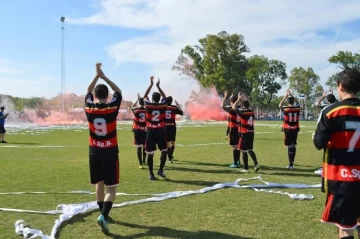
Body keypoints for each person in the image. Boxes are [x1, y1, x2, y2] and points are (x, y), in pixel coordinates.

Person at [312, 69, 360, 239]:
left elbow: (318, 143)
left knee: (345, 226)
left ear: (340, 86)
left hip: (342, 179)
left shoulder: (331, 112)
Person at [84, 63, 122, 234]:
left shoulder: (88, 108)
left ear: (95, 95)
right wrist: (104, 77)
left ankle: (102, 212)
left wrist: (96, 76)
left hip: (94, 151)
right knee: (111, 187)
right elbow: (119, 91)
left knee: (99, 183)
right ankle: (103, 216)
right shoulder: (112, 108)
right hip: (110, 150)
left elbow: (87, 90)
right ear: (107, 96)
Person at [143, 77, 168, 180]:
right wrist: (158, 86)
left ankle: (151, 174)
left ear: (152, 98)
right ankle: (161, 170)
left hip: (150, 131)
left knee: (150, 153)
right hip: (160, 131)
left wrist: (151, 84)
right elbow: (165, 96)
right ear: (159, 98)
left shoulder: (148, 105)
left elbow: (145, 95)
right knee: (164, 150)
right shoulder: (163, 105)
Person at [232, 93, 260, 173]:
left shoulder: (242, 113)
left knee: (243, 151)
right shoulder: (252, 112)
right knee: (250, 150)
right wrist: (244, 100)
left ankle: (246, 168)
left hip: (244, 133)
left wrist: (238, 99)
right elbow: (249, 106)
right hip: (251, 133)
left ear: (243, 107)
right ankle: (256, 164)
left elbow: (233, 106)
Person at [279, 89, 301, 169]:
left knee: (289, 146)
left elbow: (280, 105)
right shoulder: (297, 108)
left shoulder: (286, 109)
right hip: (295, 128)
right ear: (293, 102)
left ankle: (290, 164)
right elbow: (298, 103)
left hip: (287, 129)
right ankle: (292, 163)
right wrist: (292, 95)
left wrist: (285, 96)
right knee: (293, 145)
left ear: (288, 102)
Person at [221, 91, 241, 168]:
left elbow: (222, 105)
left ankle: (236, 162)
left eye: (230, 101)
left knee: (234, 146)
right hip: (237, 129)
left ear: (232, 102)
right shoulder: (238, 108)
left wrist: (225, 97)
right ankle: (237, 161)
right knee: (237, 146)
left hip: (234, 129)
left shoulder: (232, 110)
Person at [164, 96, 184, 163]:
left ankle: (169, 158)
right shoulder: (174, 107)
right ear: (171, 101)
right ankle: (170, 157)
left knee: (167, 144)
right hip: (172, 127)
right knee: (173, 143)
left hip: (165, 127)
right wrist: (178, 105)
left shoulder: (163, 107)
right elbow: (181, 113)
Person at [131, 93, 147, 168]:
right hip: (145, 129)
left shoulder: (136, 110)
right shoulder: (147, 110)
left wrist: (137, 100)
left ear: (139, 103)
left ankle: (140, 164)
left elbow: (132, 107)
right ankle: (144, 160)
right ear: (143, 103)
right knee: (144, 145)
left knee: (138, 146)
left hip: (137, 129)